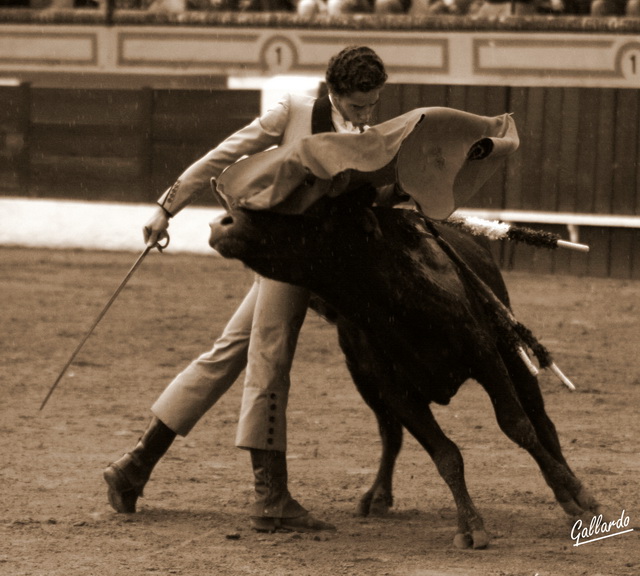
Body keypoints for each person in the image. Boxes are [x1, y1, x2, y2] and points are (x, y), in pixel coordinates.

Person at [103, 45, 388, 533]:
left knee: (227, 354)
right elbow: (225, 154)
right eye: (357, 105)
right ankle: (270, 497)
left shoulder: (367, 135)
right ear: (333, 92)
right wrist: (167, 207)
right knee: (269, 363)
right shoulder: (295, 111)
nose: (366, 115)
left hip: (309, 263)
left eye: (373, 104)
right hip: (283, 260)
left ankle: (132, 468)